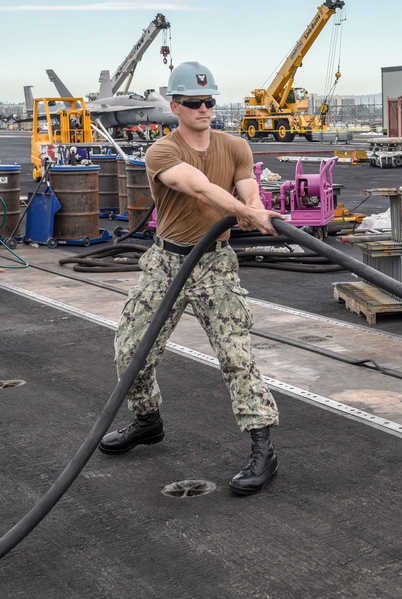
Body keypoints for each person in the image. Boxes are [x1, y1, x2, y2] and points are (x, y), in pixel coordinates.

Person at [99, 60, 285, 497]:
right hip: (167, 264)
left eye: (209, 101)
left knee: (237, 356)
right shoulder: (161, 151)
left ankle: (263, 449)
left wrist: (253, 206)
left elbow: (247, 187)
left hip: (215, 265)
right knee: (130, 350)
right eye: (193, 103)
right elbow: (197, 186)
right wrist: (246, 213)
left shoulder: (236, 145)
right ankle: (147, 420)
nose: (204, 108)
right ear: (174, 106)